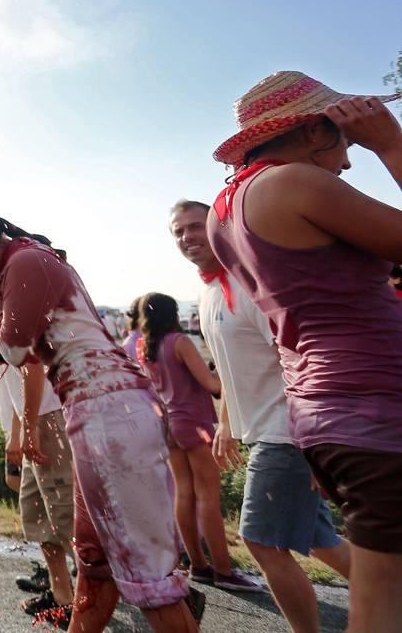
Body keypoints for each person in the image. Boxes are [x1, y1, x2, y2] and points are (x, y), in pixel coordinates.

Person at [0, 205, 197, 632]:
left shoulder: (24, 261)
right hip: (100, 408)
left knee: (146, 575)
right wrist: (4, 335)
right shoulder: (30, 259)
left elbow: (19, 348)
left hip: (110, 412)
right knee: (95, 560)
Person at [204, 71, 402, 632]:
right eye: (344, 142)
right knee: (383, 609)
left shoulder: (225, 211)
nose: (347, 162)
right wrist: (391, 143)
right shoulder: (295, 184)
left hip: (325, 413)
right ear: (316, 130)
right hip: (378, 408)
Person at [171, 198, 351, 631]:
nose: (186, 238)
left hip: (287, 432)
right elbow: (229, 365)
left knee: (260, 541)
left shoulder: (252, 283)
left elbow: (300, 359)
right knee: (318, 538)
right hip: (267, 430)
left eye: (195, 227)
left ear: (219, 228)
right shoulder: (208, 290)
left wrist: (314, 442)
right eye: (177, 232)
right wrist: (228, 424)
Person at [0, 279, 75, 625]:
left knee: (65, 518)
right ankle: (64, 598)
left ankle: (153, 591)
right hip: (34, 421)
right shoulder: (0, 319)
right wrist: (16, 434)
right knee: (38, 516)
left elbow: (32, 370)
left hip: (49, 419)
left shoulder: (17, 314)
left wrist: (29, 429)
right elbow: (16, 387)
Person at [139, 292, 262, 592]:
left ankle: (199, 566)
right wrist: (224, 364)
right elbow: (212, 385)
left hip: (166, 425)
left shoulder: (146, 347)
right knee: (208, 496)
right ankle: (223, 570)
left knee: (184, 494)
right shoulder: (179, 342)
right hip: (193, 423)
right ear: (173, 314)